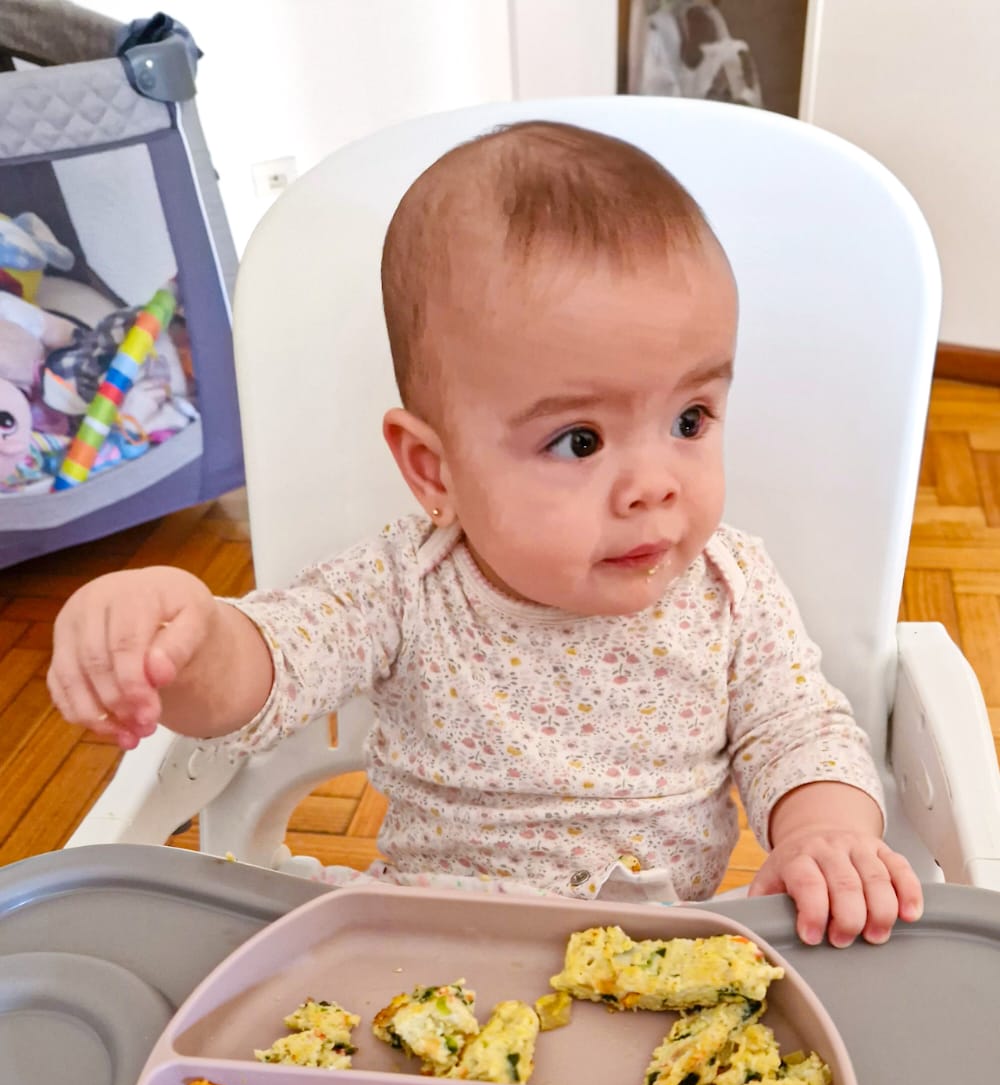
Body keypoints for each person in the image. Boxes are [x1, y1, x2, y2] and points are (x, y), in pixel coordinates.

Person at [47, 120, 923, 948]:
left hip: (657, 967)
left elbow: (797, 729)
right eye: (578, 440)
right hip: (422, 958)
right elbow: (266, 673)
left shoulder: (731, 589)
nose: (655, 483)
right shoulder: (403, 586)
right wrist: (189, 642)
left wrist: (825, 834)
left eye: (691, 418)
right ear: (435, 472)